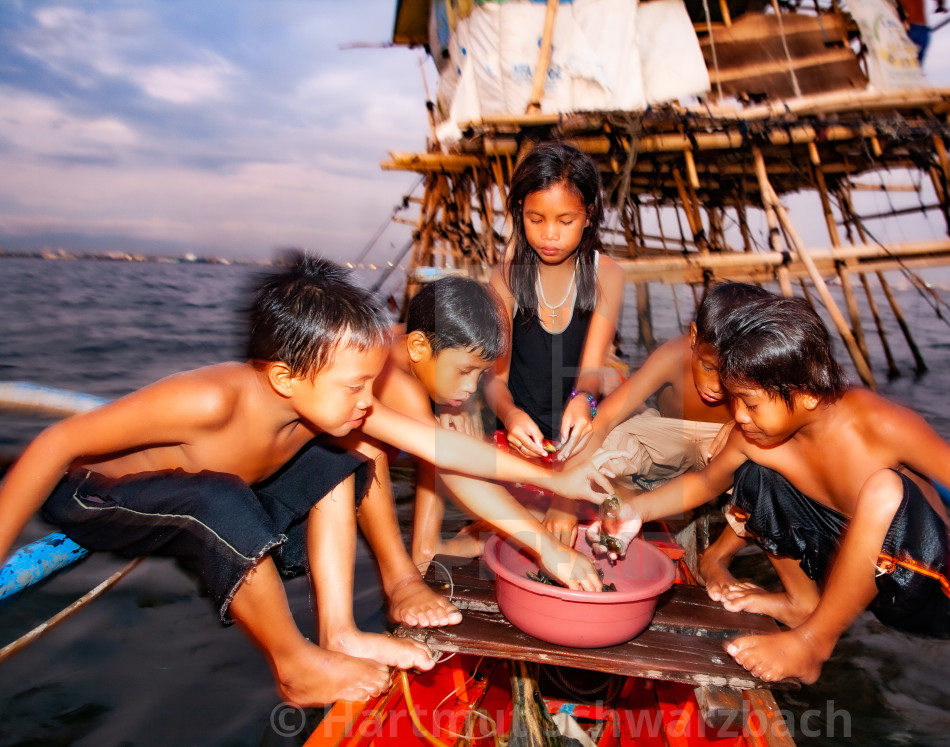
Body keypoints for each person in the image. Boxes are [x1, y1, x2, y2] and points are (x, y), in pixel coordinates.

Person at [0, 254, 614, 707]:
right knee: (219, 497)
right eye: (354, 386)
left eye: (370, 383)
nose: (366, 399)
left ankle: (339, 631)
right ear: (288, 378)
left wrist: (554, 480)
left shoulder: (333, 408)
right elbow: (55, 443)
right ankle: (293, 665)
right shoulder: (209, 401)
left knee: (338, 460)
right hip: (98, 497)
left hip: (205, 497)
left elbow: (443, 449)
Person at [592, 289, 950, 684]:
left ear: (803, 393)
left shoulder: (881, 424)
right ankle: (803, 607)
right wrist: (632, 508)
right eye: (733, 399)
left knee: (884, 490)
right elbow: (704, 483)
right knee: (751, 474)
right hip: (845, 565)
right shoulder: (756, 435)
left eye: (749, 402)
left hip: (931, 585)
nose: (738, 415)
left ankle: (814, 643)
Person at [341, 274, 611, 591]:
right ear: (418, 347)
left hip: (407, 426)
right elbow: (450, 461)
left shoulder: (411, 341)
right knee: (386, 450)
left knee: (450, 419)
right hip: (326, 465)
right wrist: (548, 539)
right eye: (464, 371)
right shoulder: (394, 380)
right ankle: (399, 581)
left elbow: (446, 451)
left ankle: (425, 549)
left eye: (480, 373)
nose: (472, 387)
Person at [541, 281, 769, 544]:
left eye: (729, 375)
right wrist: (563, 501)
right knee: (614, 447)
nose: (715, 387)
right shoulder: (673, 356)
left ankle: (717, 557)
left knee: (766, 476)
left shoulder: (762, 372)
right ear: (694, 337)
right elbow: (604, 418)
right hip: (667, 435)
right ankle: (622, 518)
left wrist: (740, 424)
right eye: (707, 367)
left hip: (724, 446)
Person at [484, 140, 626, 465]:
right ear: (520, 210)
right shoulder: (504, 279)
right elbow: (495, 381)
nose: (550, 234)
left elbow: (591, 372)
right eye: (536, 219)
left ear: (588, 216)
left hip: (577, 437)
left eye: (565, 222)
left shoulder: (607, 276)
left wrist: (583, 399)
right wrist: (510, 415)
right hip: (515, 436)